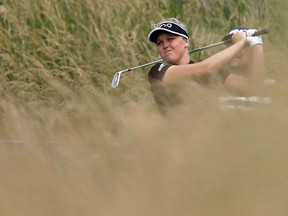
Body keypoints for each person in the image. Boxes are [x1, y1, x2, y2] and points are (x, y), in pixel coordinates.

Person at [147, 18, 265, 115]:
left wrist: (257, 45)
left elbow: (255, 88)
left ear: (186, 42)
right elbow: (206, 68)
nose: (165, 45)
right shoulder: (158, 70)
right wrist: (240, 43)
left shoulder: (211, 74)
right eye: (159, 43)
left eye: (170, 39)